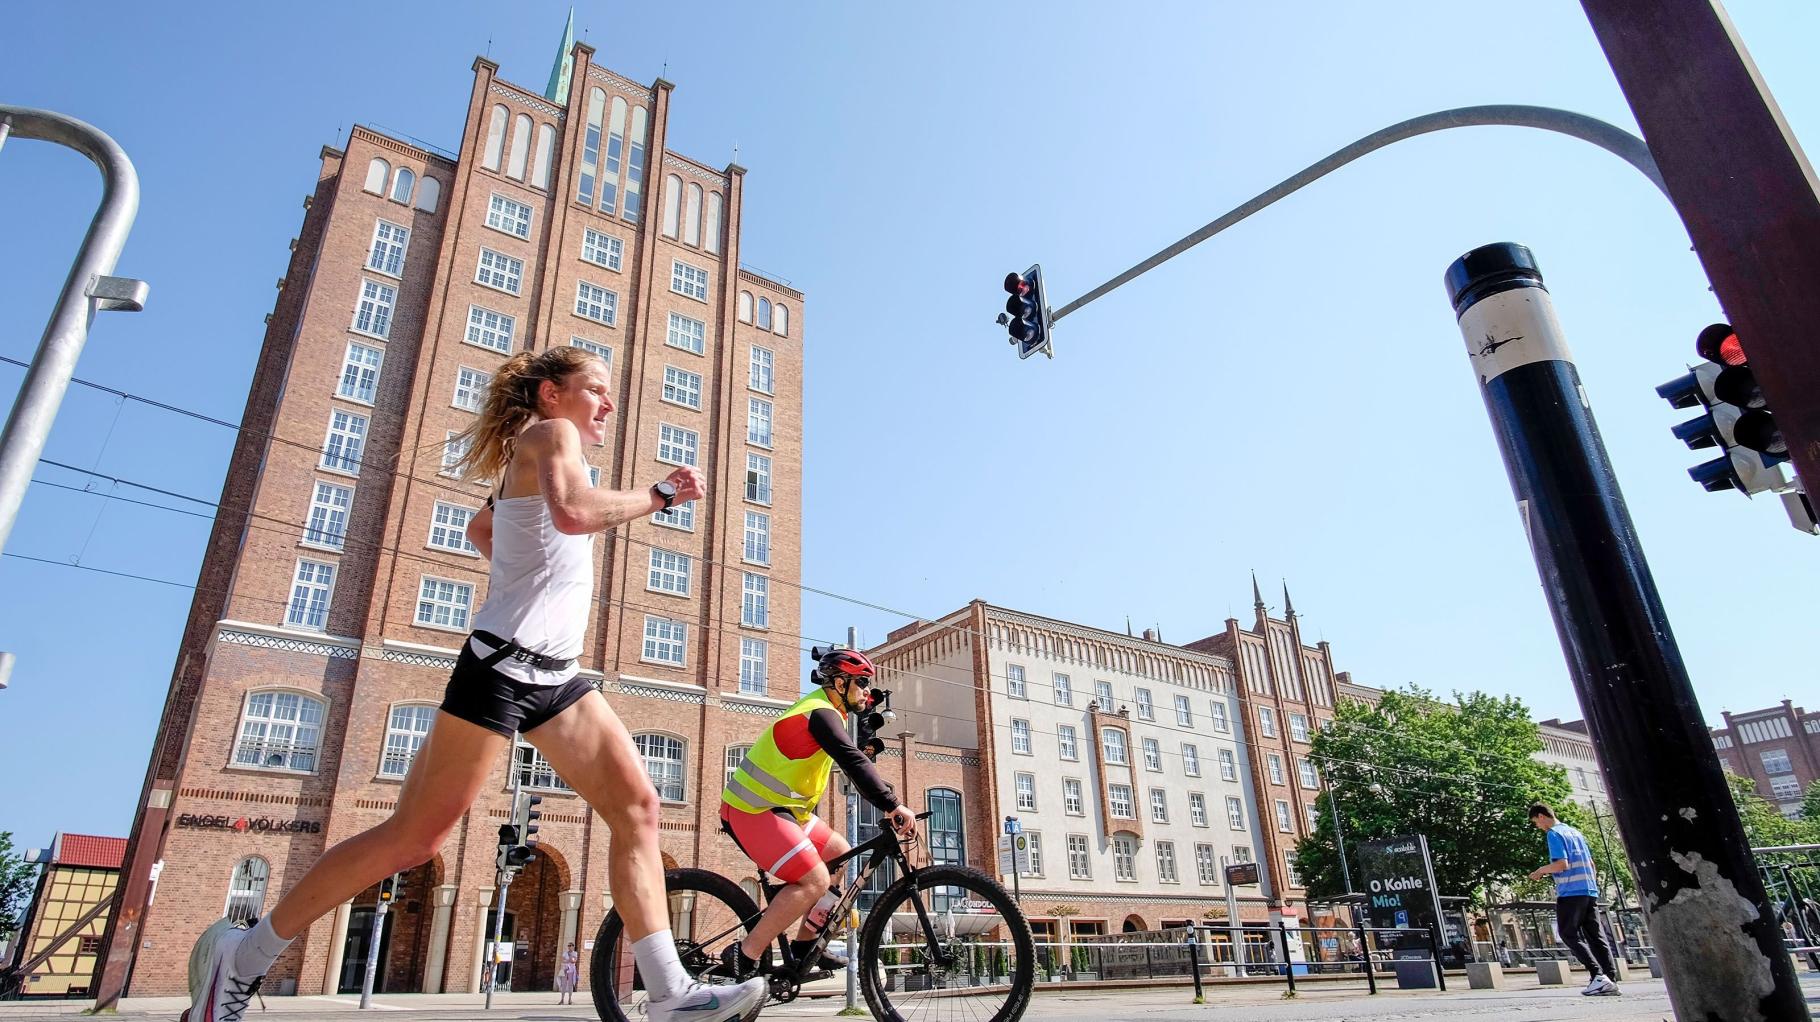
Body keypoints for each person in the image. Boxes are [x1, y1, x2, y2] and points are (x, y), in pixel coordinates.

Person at [181, 347, 766, 1022]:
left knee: (637, 806)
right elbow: (574, 512)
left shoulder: (548, 446)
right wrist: (659, 494)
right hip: (500, 670)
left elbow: (484, 527)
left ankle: (671, 995)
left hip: (559, 677)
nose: (608, 404)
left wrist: (522, 579)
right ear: (552, 394)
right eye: (596, 390)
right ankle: (244, 957)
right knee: (414, 840)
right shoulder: (552, 435)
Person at [714, 649, 915, 980]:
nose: (867, 691)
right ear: (839, 682)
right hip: (752, 809)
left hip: (786, 811)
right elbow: (852, 759)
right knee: (815, 879)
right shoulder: (820, 713)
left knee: (839, 853)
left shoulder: (829, 713)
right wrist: (892, 803)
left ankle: (805, 948)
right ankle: (745, 955)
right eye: (862, 682)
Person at [1528, 802, 1621, 997]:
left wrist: (1540, 871)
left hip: (1571, 891)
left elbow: (1562, 864)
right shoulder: (1575, 833)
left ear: (1542, 816)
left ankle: (1597, 975)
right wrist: (1590, 885)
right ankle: (1610, 979)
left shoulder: (1554, 834)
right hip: (1589, 890)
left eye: (1536, 822)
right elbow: (1592, 863)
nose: (1537, 826)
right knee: (1596, 936)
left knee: (1568, 933)